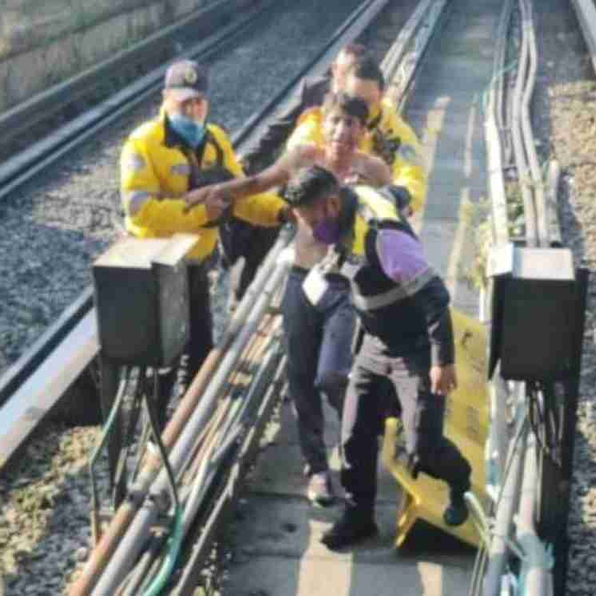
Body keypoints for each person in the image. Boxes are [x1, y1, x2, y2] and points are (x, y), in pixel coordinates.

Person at [182, 92, 391, 506]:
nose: (342, 132)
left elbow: (394, 216)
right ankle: (316, 468)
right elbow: (257, 183)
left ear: (362, 132)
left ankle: (363, 434)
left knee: (332, 374)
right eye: (335, 122)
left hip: (344, 283)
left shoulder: (374, 171)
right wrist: (213, 193)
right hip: (302, 277)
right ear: (323, 123)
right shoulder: (303, 158)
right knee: (299, 375)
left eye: (351, 125)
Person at [280, 165, 472, 550]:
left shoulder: (384, 237)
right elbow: (397, 193)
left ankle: (459, 481)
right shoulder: (348, 203)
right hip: (374, 342)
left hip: (415, 346)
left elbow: (434, 296)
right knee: (354, 433)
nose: (310, 231)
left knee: (423, 447)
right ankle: (358, 516)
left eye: (311, 221)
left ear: (332, 204)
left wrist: (442, 361)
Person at [119, 59, 289, 422]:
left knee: (199, 351)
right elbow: (140, 210)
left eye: (198, 102)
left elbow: (242, 196)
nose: (192, 109)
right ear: (165, 99)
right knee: (162, 362)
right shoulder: (143, 144)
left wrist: (282, 211)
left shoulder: (215, 140)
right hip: (158, 269)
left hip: (196, 267)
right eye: (184, 102)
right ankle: (156, 433)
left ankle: (186, 426)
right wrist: (200, 215)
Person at [218, 44, 368, 311]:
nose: (345, 80)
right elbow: (279, 125)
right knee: (265, 220)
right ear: (335, 69)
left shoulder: (361, 105)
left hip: (333, 182)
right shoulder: (313, 89)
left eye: (352, 74)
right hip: (296, 175)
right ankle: (242, 290)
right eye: (342, 72)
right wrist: (251, 156)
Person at [291, 56, 427, 216]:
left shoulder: (396, 133)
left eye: (367, 102)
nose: (359, 109)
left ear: (381, 95)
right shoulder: (324, 122)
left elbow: (412, 177)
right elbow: (298, 149)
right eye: (353, 100)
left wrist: (391, 199)